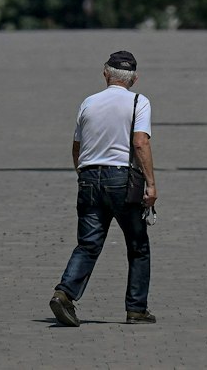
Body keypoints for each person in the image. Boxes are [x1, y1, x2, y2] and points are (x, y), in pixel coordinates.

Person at [51, 50, 156, 327]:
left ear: (105, 74)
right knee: (137, 245)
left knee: (88, 244)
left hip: (88, 178)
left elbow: (77, 147)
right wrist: (152, 184)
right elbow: (140, 143)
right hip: (122, 180)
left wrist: (84, 174)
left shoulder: (89, 102)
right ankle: (136, 309)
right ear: (134, 79)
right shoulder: (138, 102)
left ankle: (64, 294)